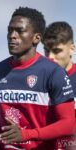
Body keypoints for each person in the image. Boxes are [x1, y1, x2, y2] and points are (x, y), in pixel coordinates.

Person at [0, 7, 75, 150]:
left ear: (36, 38)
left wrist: (26, 134)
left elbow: (69, 124)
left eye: (20, 31)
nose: (12, 36)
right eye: (10, 30)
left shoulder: (54, 73)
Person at [42, 21, 76, 150]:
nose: (50, 57)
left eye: (57, 51)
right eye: (47, 51)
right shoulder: (36, 80)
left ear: (72, 48)